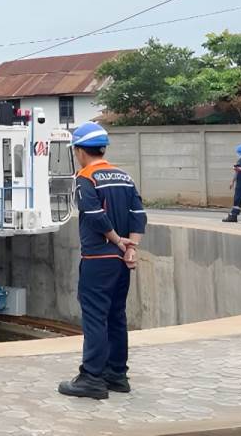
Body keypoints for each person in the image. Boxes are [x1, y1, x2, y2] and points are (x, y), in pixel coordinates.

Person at [58, 122, 147, 400]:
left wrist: (118, 241)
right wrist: (131, 248)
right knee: (116, 316)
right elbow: (138, 214)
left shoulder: (86, 177)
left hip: (98, 258)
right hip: (121, 261)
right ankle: (116, 375)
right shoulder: (124, 176)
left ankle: (91, 378)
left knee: (95, 317)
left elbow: (95, 215)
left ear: (80, 150)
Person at [222, 144, 241, 223]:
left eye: (239, 152)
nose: (238, 154)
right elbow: (237, 171)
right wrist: (232, 181)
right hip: (240, 184)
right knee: (237, 200)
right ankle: (233, 216)